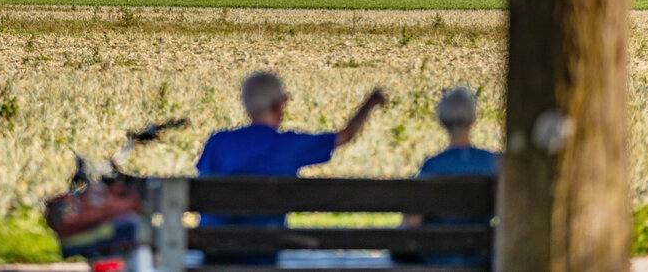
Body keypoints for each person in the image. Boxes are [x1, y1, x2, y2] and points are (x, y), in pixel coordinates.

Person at [195, 71, 386, 263]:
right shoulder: (289, 145)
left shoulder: (217, 143)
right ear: (278, 105)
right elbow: (345, 136)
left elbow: (201, 186)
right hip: (262, 255)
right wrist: (371, 102)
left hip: (216, 253)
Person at [401, 87, 498, 265]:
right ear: (473, 119)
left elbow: (412, 223)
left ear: (442, 121)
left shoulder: (433, 166)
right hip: (482, 258)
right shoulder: (493, 163)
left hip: (437, 258)